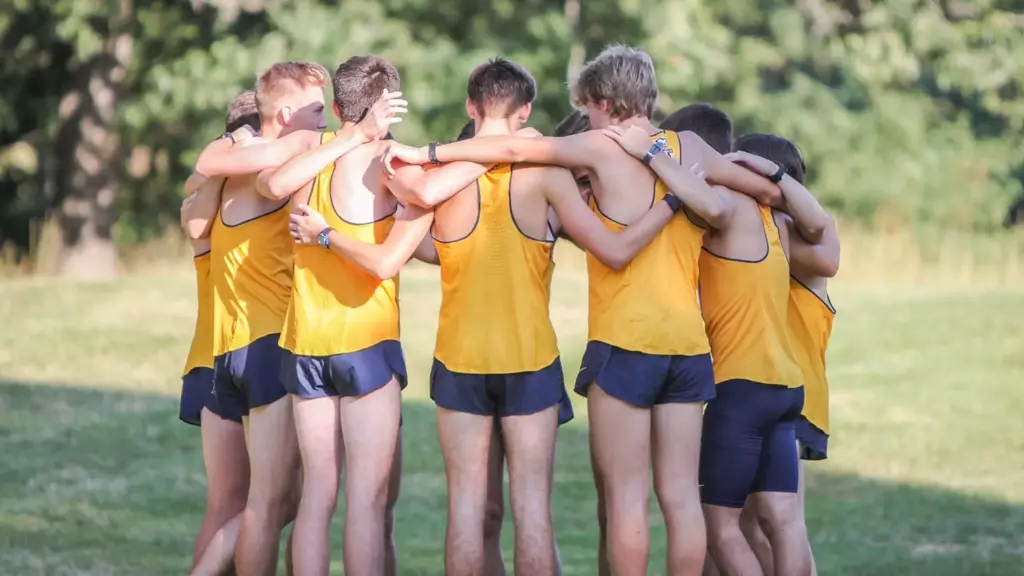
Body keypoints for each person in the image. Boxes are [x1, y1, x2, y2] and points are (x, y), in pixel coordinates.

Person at [384, 46, 778, 576]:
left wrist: (430, 152)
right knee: (681, 498)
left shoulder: (596, 145)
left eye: (588, 108)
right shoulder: (691, 149)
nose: (587, 118)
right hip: (687, 348)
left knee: (624, 500)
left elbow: (518, 152)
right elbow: (763, 192)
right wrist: (761, 167)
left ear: (604, 102)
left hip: (623, 344)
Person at [251, 55, 414, 576]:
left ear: (338, 105)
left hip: (306, 344)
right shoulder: (387, 159)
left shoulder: (311, 153)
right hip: (365, 340)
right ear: (388, 106)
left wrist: (345, 135)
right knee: (365, 499)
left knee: (317, 497)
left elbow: (271, 186)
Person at [187, 61, 332, 576]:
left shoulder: (231, 167)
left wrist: (239, 146)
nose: (327, 118)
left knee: (256, 501)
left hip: (226, 350)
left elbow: (196, 211)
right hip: (269, 342)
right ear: (288, 114)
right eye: (318, 109)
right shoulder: (299, 148)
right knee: (269, 503)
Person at [658, 102, 813, 576]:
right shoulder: (774, 219)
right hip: (786, 387)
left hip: (739, 386)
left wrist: (655, 159)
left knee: (719, 528)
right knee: (784, 521)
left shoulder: (716, 210)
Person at [725, 134, 840, 576]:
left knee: (781, 521)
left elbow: (828, 258)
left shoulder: (788, 241)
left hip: (795, 397)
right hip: (769, 391)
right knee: (755, 523)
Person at [178, 91, 259, 572]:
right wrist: (225, 156)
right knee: (236, 501)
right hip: (220, 360)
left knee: (248, 501)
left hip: (226, 358)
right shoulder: (210, 195)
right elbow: (194, 225)